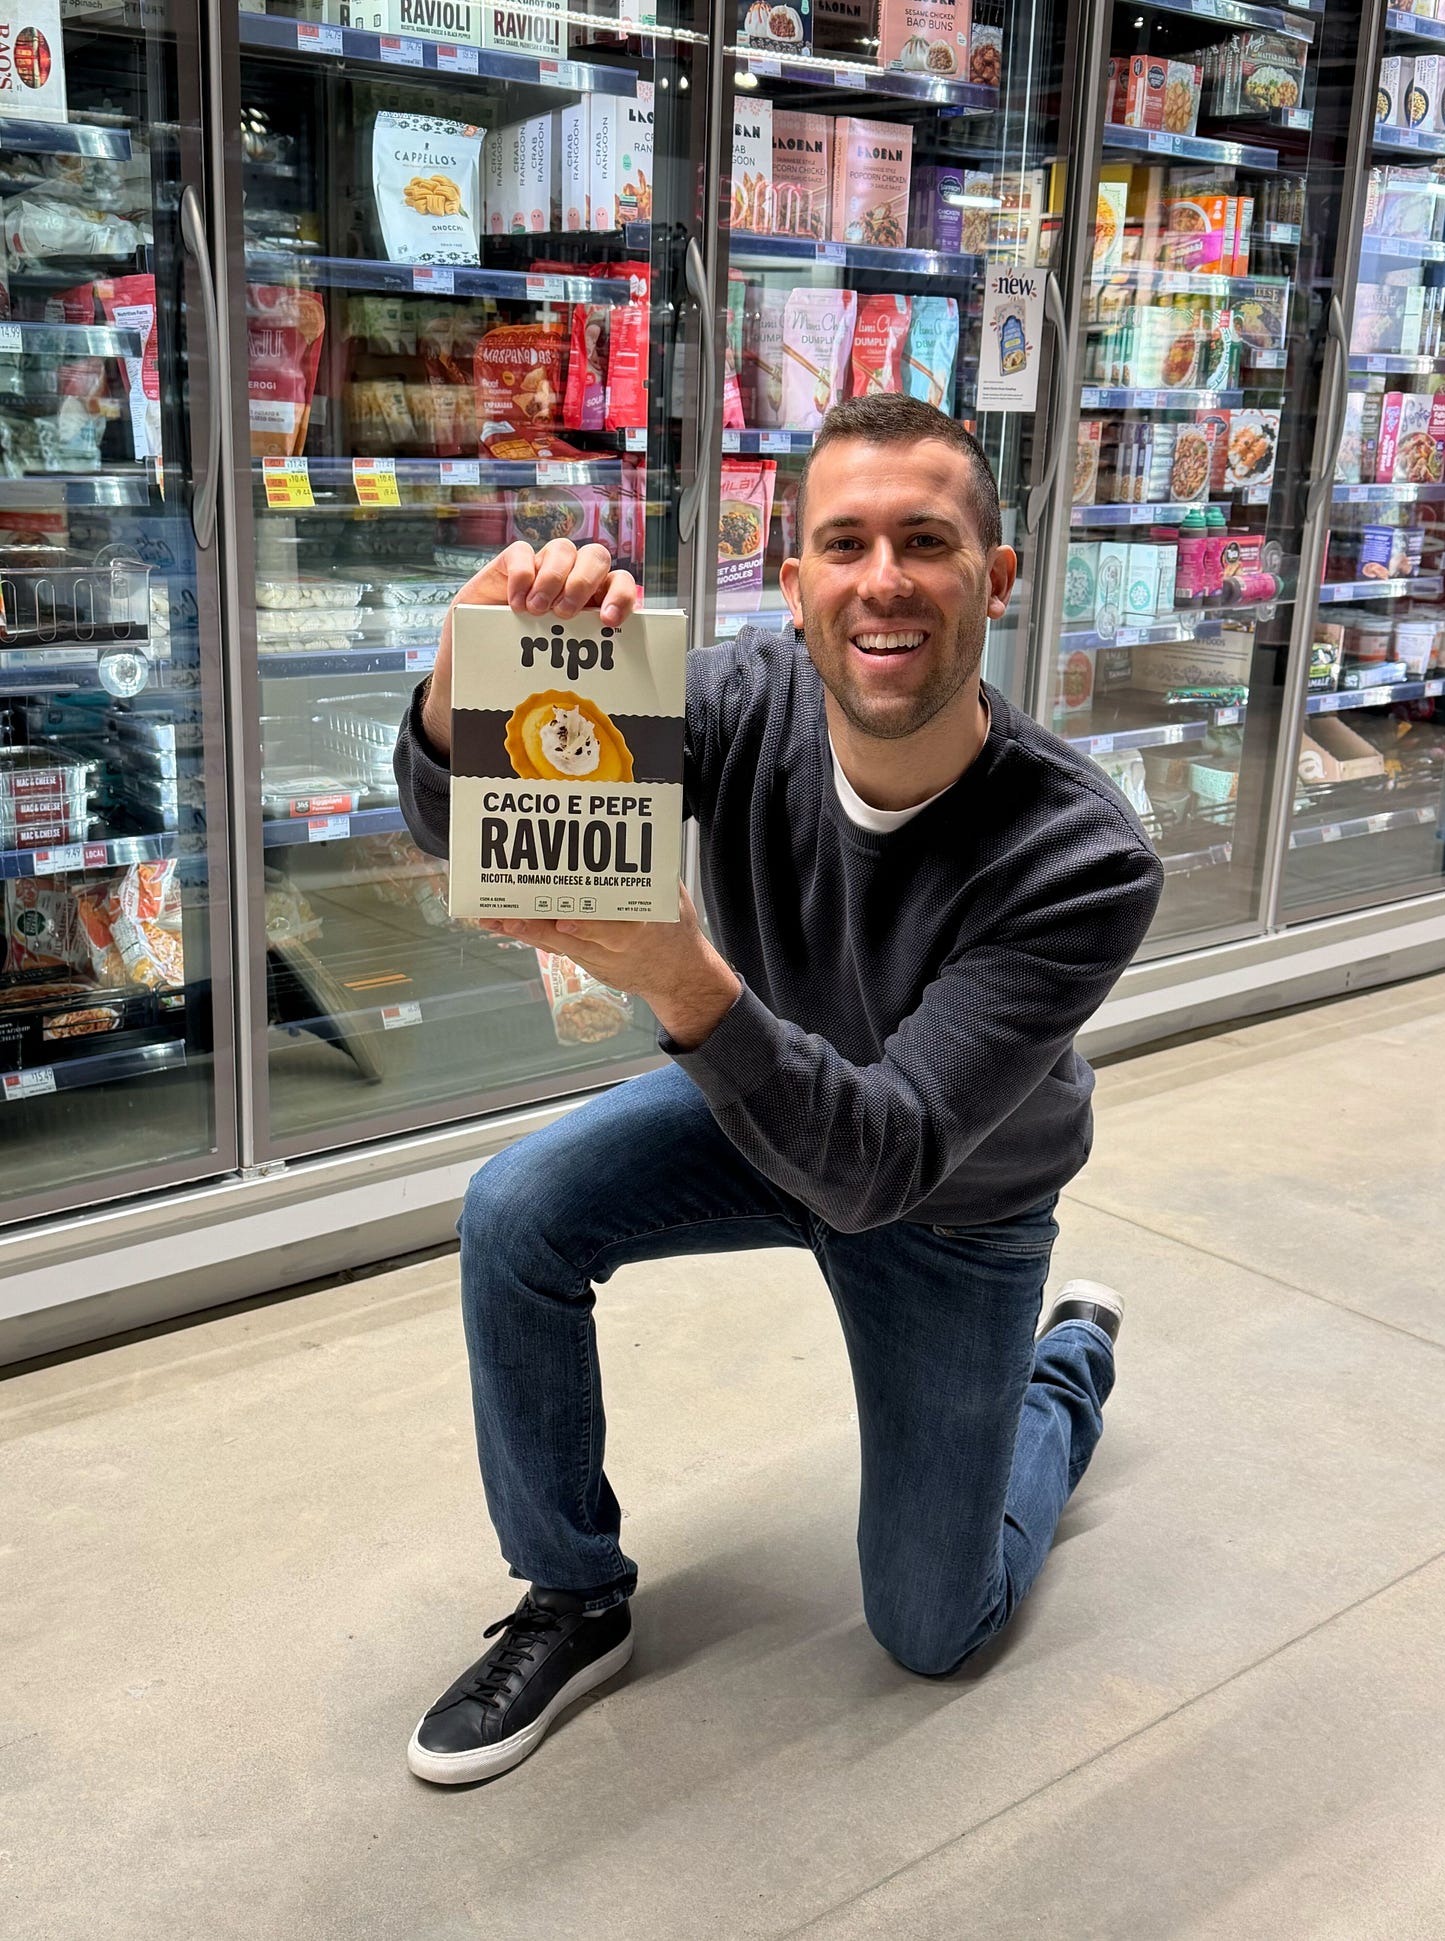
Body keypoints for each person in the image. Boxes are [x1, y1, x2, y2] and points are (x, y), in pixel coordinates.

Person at [393, 393, 1164, 1787]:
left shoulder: (1083, 854)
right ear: (793, 579)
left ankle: (1063, 1374)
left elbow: (884, 1161)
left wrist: (685, 977)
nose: (885, 580)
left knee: (936, 1625)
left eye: (926, 541)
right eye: (845, 543)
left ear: (995, 578)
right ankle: (571, 1594)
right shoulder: (735, 702)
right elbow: (483, 833)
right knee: (517, 1212)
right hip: (760, 1098)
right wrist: (471, 696)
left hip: (952, 1198)